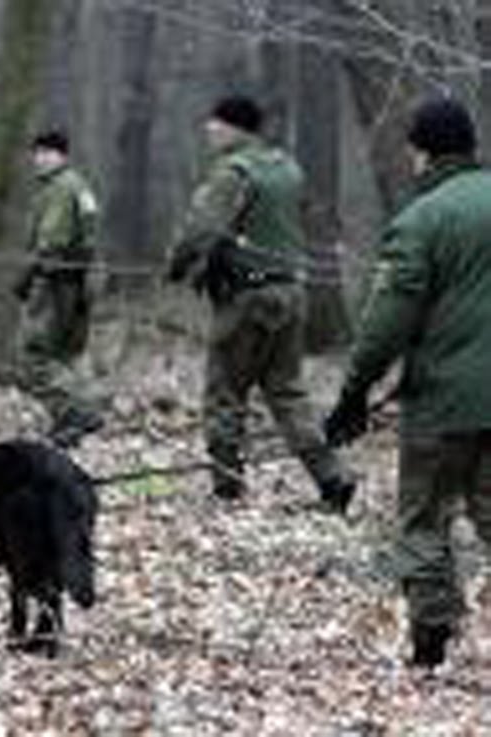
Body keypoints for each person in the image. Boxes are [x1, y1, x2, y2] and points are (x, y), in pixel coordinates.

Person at [325, 96, 491, 667]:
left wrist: (354, 392)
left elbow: (386, 323)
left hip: (445, 403)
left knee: (424, 518)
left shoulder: (421, 220)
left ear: (423, 152)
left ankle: (431, 642)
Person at [167, 95, 354, 509]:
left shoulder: (233, 172)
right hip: (290, 293)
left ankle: (227, 487)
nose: (209, 130)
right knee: (288, 393)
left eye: (215, 123)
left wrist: (177, 266)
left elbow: (201, 229)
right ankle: (332, 476)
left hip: (245, 299)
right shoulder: (287, 168)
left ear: (235, 128)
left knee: (224, 394)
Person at [11, 129, 104, 448]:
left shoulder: (60, 189)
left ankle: (75, 414)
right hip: (80, 283)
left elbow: (51, 242)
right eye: (36, 153)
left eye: (46, 153)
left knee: (33, 357)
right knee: (66, 356)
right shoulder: (81, 187)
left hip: (55, 283)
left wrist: (26, 277)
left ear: (62, 156)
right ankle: (73, 425)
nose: (39, 159)